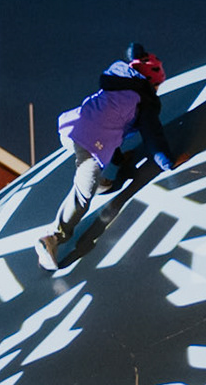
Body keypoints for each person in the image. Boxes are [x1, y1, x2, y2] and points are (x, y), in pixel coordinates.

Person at [38, 43, 177, 270]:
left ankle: (98, 181)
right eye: (158, 85)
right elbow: (153, 135)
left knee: (101, 142)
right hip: (88, 142)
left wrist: (119, 160)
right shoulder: (143, 100)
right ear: (151, 83)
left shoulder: (117, 82)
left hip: (69, 129)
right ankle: (52, 238)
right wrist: (168, 161)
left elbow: (108, 126)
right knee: (83, 194)